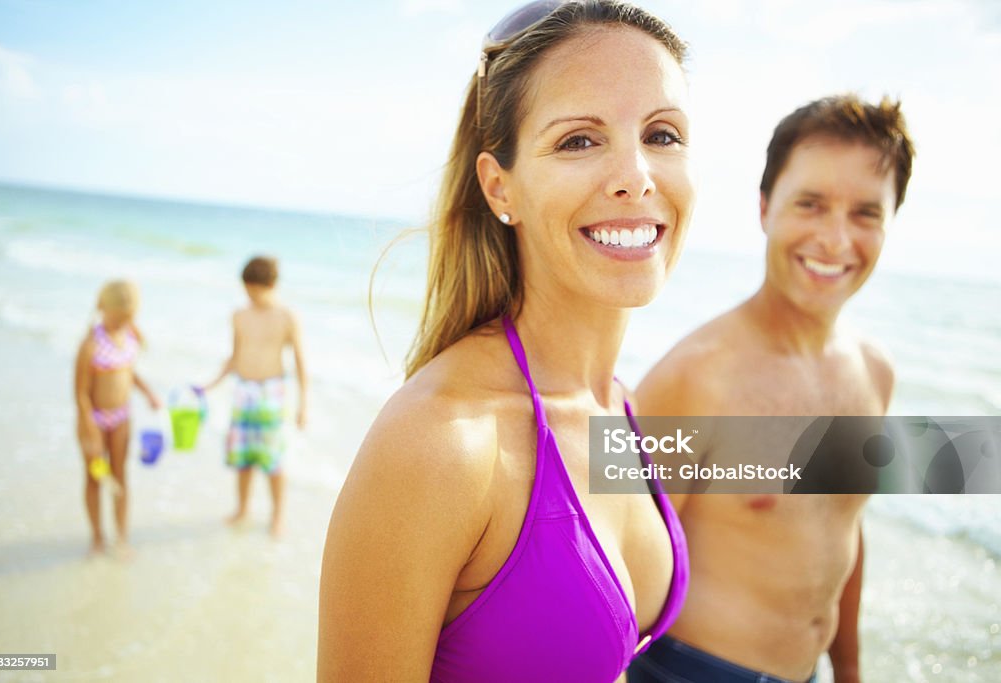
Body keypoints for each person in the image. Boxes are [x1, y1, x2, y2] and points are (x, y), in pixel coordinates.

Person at [318, 1, 695, 680]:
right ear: (500, 187)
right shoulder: (443, 441)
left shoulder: (620, 410)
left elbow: (804, 485)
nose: (637, 173)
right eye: (580, 140)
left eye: (663, 134)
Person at [629, 94, 915, 683]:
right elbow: (614, 584)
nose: (836, 239)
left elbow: (843, 530)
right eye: (810, 204)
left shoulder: (874, 371)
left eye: (865, 213)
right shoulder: (694, 376)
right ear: (765, 208)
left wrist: (851, 670)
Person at [203, 255, 307, 538]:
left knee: (273, 460)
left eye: (254, 289)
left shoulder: (286, 317)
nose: (250, 295)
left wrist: (303, 405)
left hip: (271, 392)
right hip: (243, 390)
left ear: (270, 285)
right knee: (243, 457)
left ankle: (277, 516)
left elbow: (299, 361)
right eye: (246, 289)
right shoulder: (239, 315)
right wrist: (211, 384)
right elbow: (234, 356)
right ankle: (242, 509)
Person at [74, 280, 162, 557]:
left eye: (129, 317)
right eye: (120, 317)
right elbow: (80, 393)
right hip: (94, 419)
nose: (124, 322)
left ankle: (121, 537)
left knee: (120, 476)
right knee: (95, 477)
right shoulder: (90, 345)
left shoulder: (130, 336)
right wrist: (89, 425)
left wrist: (149, 393)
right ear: (104, 309)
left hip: (122, 417)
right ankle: (97, 537)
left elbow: (128, 373)